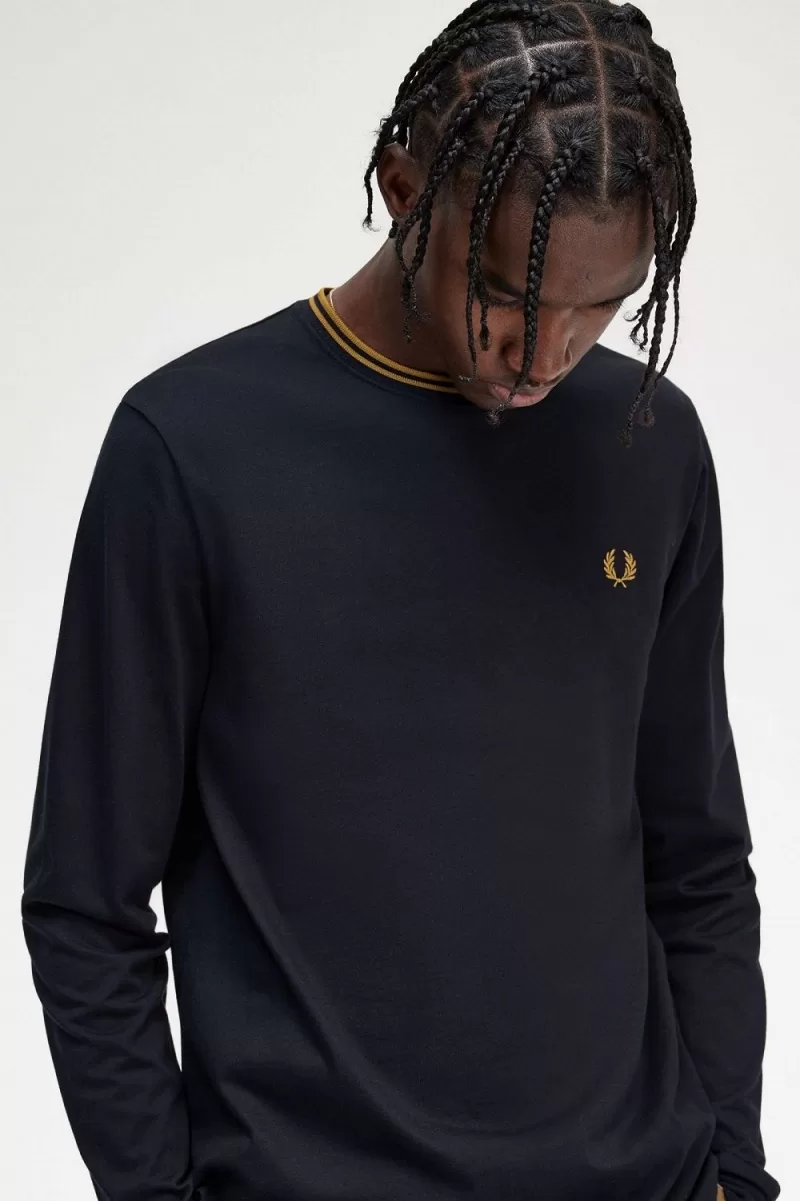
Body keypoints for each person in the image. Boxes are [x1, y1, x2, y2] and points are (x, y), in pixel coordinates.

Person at [20, 2, 780, 1200]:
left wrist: (734, 1164)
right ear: (400, 187)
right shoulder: (193, 449)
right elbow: (86, 903)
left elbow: (695, 857)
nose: (545, 352)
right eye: (508, 292)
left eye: (599, 307)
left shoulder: (650, 443)